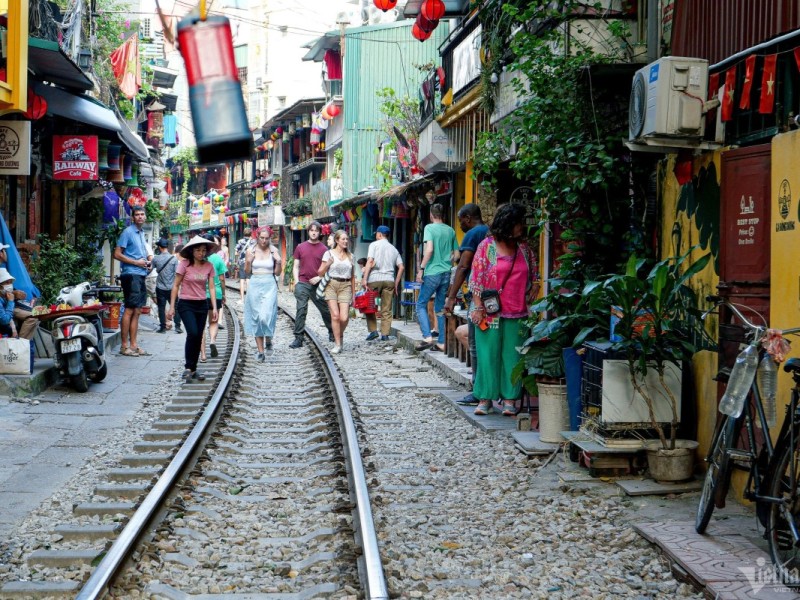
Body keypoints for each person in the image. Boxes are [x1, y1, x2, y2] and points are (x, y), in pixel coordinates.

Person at [468, 203, 539, 416]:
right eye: (518, 223)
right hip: (490, 312)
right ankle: (485, 398)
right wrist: (478, 307)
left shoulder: (524, 249)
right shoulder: (486, 247)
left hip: (518, 312)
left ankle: (509, 399)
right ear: (507, 223)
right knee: (487, 355)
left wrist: (534, 288)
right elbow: (476, 280)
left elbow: (534, 275)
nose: (521, 227)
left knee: (513, 357)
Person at [444, 204, 489, 405]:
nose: (460, 224)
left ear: (468, 218)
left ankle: (478, 390)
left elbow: (463, 266)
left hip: (478, 297)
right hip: (492, 297)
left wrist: (451, 296)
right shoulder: (488, 231)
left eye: (461, 220)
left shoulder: (472, 234)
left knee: (474, 344)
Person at [167, 236, 219, 382]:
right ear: (192, 251)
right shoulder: (184, 264)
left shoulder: (209, 266)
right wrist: (171, 307)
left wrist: (214, 308)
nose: (201, 253)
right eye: (198, 250)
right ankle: (188, 367)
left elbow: (212, 287)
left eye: (203, 251)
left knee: (198, 336)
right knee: (193, 333)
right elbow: (176, 285)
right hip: (186, 304)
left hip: (202, 304)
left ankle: (193, 368)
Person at [415, 203, 459, 352]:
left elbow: (429, 250)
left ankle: (427, 337)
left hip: (432, 272)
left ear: (431, 215)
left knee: (421, 304)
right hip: (446, 273)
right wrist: (446, 261)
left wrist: (421, 268)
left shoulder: (429, 228)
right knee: (440, 308)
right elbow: (457, 255)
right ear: (443, 214)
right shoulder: (451, 230)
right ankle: (441, 342)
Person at [113, 206, 153, 357]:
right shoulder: (128, 232)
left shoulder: (141, 233)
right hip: (131, 275)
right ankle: (124, 346)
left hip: (140, 274)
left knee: (137, 310)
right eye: (137, 215)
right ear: (133, 218)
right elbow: (117, 254)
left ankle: (134, 345)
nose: (140, 217)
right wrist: (136, 263)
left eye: (142, 214)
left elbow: (140, 255)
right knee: (130, 309)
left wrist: (146, 264)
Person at [290, 221, 334, 348]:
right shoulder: (300, 247)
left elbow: (327, 268)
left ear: (320, 232)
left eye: (316, 230)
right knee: (301, 309)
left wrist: (319, 278)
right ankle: (298, 337)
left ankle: (332, 331)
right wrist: (297, 282)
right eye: (311, 230)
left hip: (318, 284)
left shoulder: (324, 249)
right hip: (303, 282)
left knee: (325, 309)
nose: (314, 232)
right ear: (308, 232)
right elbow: (296, 266)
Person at [361, 225, 404, 342]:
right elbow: (401, 267)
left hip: (374, 280)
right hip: (389, 280)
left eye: (376, 234)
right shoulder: (394, 249)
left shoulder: (374, 245)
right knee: (387, 309)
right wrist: (396, 283)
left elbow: (370, 261)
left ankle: (373, 331)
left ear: (379, 234)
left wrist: (364, 279)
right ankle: (385, 334)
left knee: (369, 306)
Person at [244, 226, 280, 361]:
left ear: (270, 238)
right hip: (254, 284)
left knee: (266, 316)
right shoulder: (251, 250)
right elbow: (247, 271)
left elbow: (277, 273)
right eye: (261, 238)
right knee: (257, 317)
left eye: (266, 238)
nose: (264, 241)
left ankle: (268, 337)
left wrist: (279, 262)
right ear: (257, 237)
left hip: (269, 284)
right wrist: (248, 261)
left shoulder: (273, 250)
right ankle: (260, 351)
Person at [318, 230, 355, 354]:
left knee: (344, 317)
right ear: (337, 240)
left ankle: (339, 334)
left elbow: (353, 276)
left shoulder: (351, 256)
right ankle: (338, 344)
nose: (345, 241)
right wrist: (327, 264)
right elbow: (320, 273)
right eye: (343, 239)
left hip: (346, 285)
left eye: (346, 239)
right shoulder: (328, 254)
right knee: (335, 315)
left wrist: (354, 294)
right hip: (331, 285)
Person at [200, 234, 226, 362]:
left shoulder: (199, 257)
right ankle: (212, 341)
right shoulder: (217, 258)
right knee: (213, 321)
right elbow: (222, 279)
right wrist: (224, 293)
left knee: (201, 325)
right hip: (216, 294)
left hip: (200, 295)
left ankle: (203, 355)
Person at [152, 238, 177, 333]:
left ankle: (162, 328)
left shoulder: (156, 258)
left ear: (159, 247)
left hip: (160, 287)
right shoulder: (174, 259)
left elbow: (149, 269)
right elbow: (176, 274)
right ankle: (178, 326)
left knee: (161, 308)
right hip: (172, 288)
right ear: (167, 247)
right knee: (175, 306)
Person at [235, 227, 256, 300]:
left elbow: (236, 252)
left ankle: (242, 299)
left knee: (242, 279)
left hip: (242, 262)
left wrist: (240, 256)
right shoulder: (253, 241)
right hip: (250, 261)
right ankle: (249, 298)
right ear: (251, 233)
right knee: (248, 279)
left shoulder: (240, 241)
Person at [171, 244, 184, 334]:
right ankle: (177, 326)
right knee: (176, 307)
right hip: (175, 287)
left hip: (171, 286)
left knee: (176, 306)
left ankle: (176, 325)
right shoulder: (178, 262)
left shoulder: (173, 259)